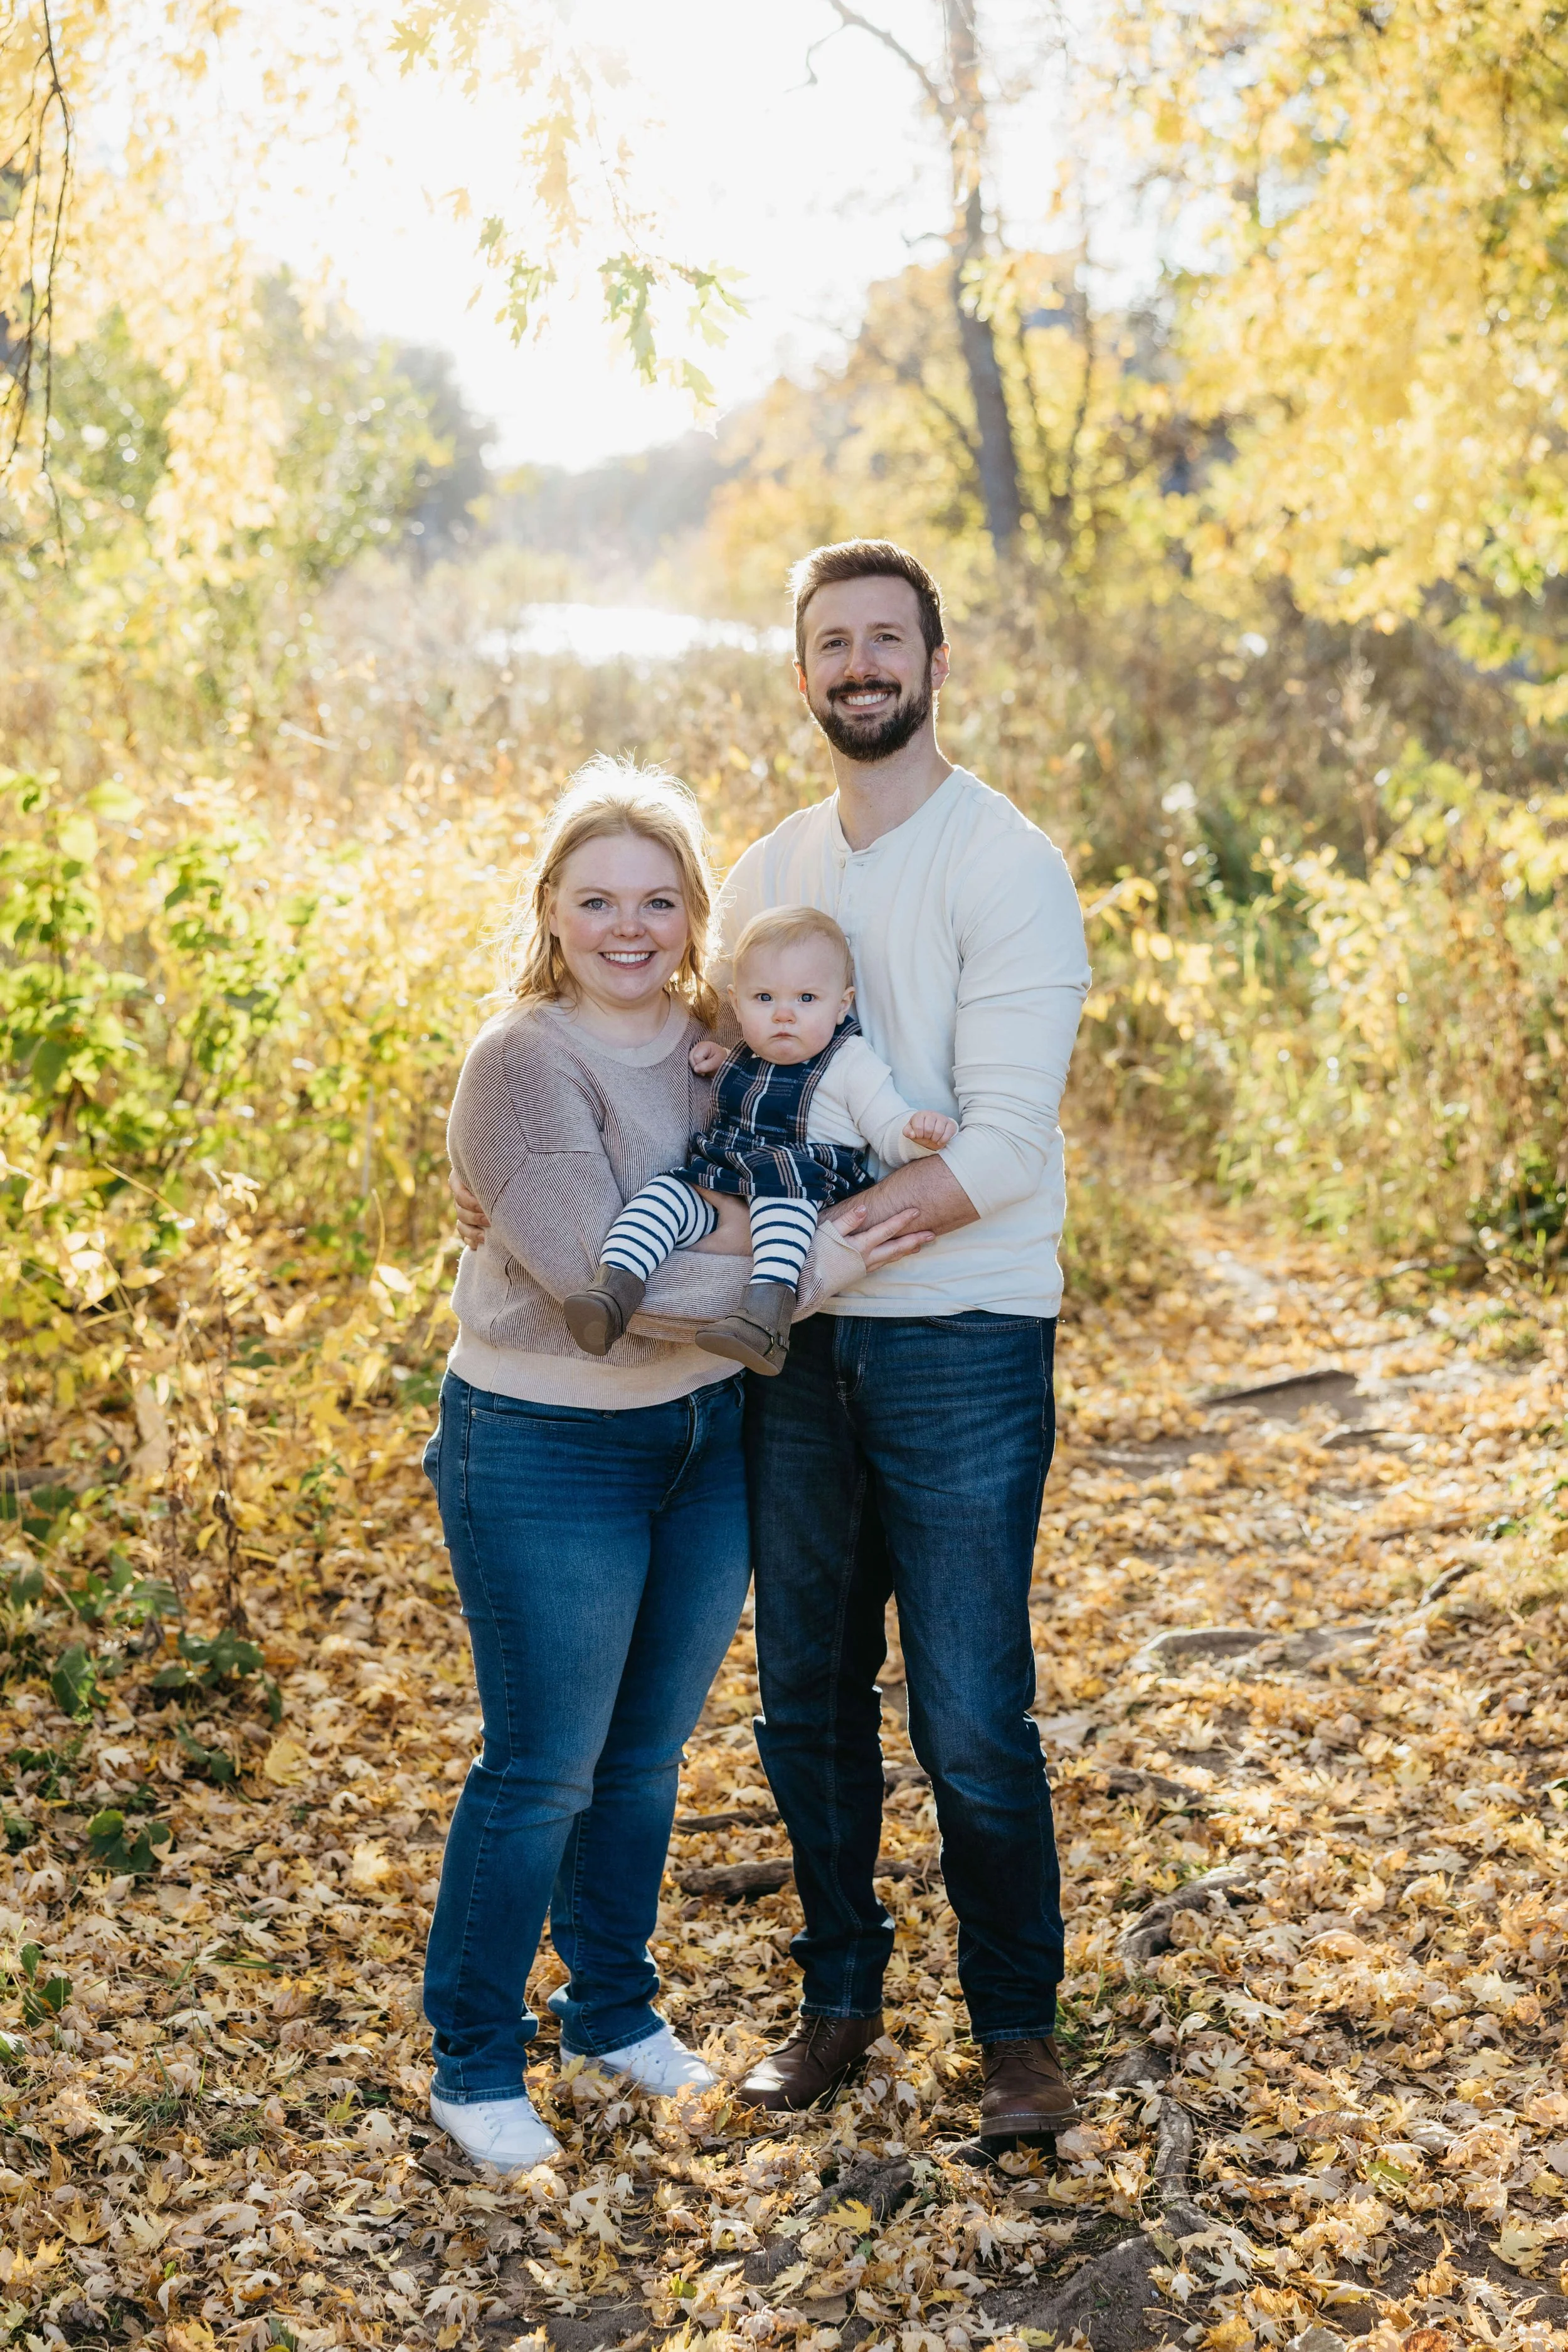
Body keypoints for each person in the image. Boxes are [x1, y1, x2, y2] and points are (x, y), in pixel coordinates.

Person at [454, 542, 1091, 2151]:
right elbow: (694, 1090)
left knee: (967, 1709)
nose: (861, 664)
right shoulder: (765, 866)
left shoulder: (1006, 864)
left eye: (889, 638)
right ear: (801, 673)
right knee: (804, 1697)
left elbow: (1003, 1142)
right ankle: (838, 2001)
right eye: (834, 643)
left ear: (935, 662)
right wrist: (534, 1200)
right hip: (782, 1360)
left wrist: (809, 1253)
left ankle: (1017, 2033)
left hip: (956, 1335)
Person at [423, 755, 926, 2173]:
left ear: (697, 910)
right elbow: (593, 1267)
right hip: (544, 1441)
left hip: (707, 1434)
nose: (629, 925)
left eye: (658, 898)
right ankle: (472, 2057)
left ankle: (612, 2011)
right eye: (599, 899)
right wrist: (800, 1270)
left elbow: (831, 1119)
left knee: (642, 1759)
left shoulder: (727, 1037)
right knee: (543, 1768)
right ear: (551, 909)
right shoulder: (522, 1059)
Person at [563, 905, 956, 1375]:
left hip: (799, 1182)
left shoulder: (852, 1063)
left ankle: (764, 1319)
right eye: (764, 998)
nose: (784, 1015)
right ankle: (615, 1288)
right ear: (737, 1002)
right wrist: (723, 1060)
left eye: (807, 998)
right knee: (663, 1194)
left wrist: (916, 1135)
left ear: (842, 1004)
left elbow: (887, 1130)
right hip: (723, 1175)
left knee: (781, 1207)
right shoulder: (746, 1052)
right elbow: (750, 1082)